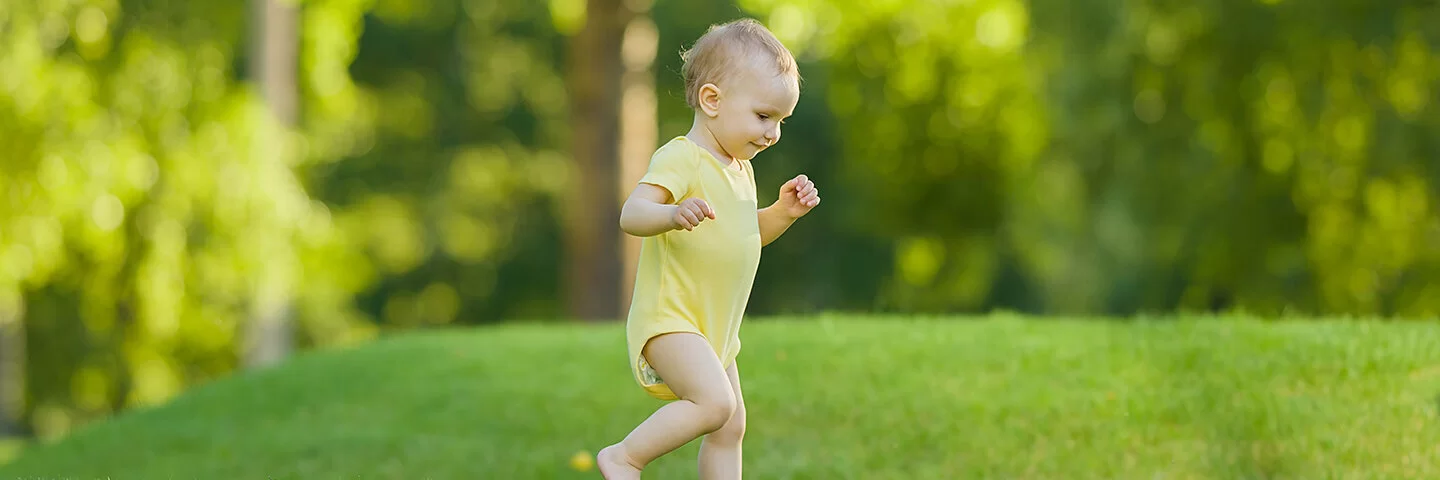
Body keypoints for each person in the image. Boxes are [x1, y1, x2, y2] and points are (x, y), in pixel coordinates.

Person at [596, 17, 820, 480]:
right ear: (712, 100)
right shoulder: (682, 157)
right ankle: (624, 457)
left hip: (716, 331)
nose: (773, 133)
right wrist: (671, 214)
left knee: (730, 425)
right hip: (672, 320)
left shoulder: (739, 169)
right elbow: (631, 214)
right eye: (763, 116)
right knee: (716, 404)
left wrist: (781, 214)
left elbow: (744, 236)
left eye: (780, 121)